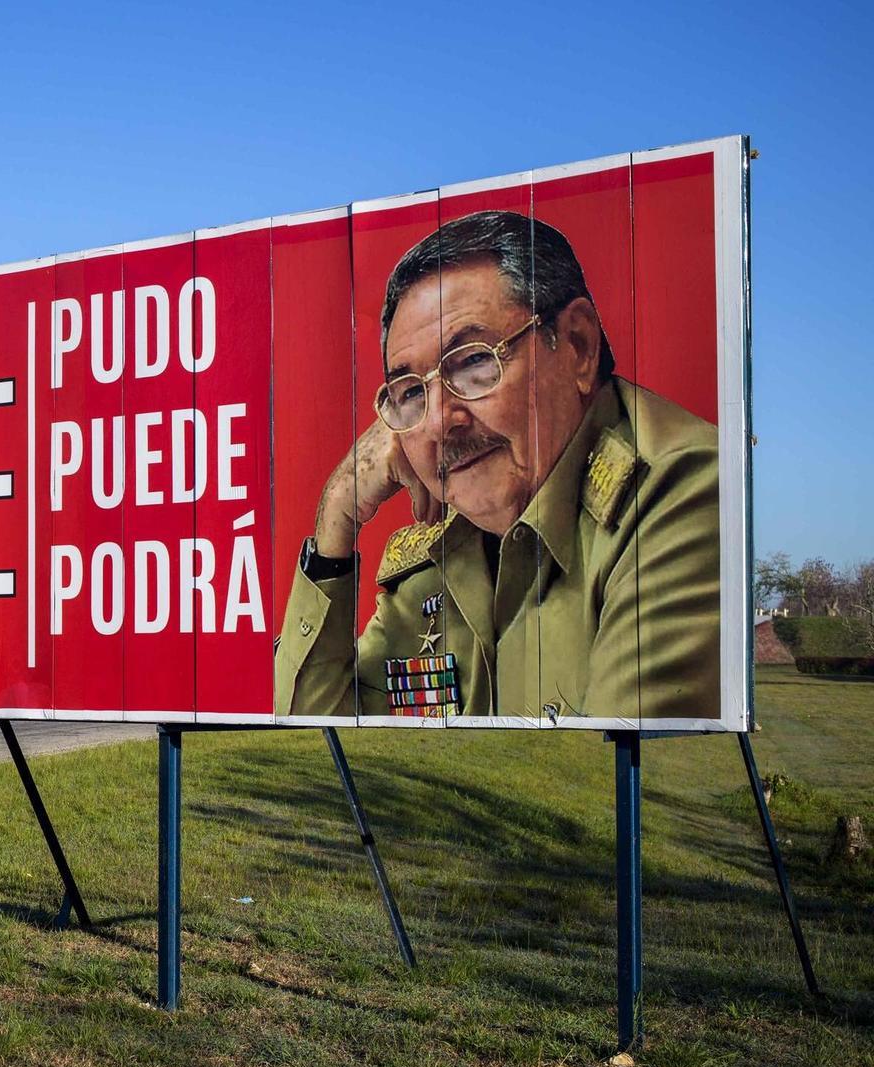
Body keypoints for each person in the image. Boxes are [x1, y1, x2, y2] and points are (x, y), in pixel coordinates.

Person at [275, 210, 720, 720]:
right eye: (412, 392)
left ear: (577, 346)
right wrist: (336, 522)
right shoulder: (446, 546)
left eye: (473, 361)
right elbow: (312, 753)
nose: (440, 423)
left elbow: (616, 788)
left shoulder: (678, 488)